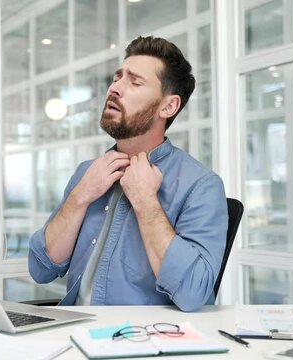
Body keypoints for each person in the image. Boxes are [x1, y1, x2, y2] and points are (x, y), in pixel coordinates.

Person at [28, 36, 227, 311]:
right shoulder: (87, 173)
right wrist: (80, 197)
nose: (115, 88)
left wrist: (146, 202)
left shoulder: (201, 186)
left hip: (141, 340)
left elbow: (194, 294)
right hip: (72, 329)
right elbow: (40, 270)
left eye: (134, 82)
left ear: (168, 107)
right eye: (117, 77)